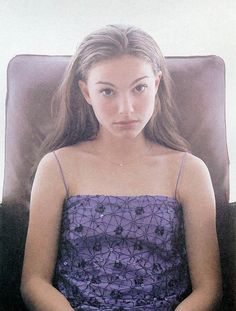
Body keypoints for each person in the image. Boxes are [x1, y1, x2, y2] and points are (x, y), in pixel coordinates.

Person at [20, 25, 222, 310]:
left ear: (156, 84)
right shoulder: (57, 166)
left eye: (139, 88)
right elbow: (34, 281)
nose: (126, 108)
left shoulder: (189, 171)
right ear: (86, 92)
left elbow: (209, 288)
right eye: (107, 91)